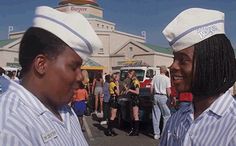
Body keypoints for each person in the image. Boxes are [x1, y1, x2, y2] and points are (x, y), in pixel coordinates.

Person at [0, 6, 102, 146]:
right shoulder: (10, 126)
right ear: (41, 64)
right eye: (73, 67)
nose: (81, 77)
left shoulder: (65, 110)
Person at [160, 8, 236, 145]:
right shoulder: (176, 120)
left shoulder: (232, 127)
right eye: (174, 58)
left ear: (210, 62)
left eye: (183, 60)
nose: (173, 66)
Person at [150, 65, 172, 140]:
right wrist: (170, 98)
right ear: (165, 71)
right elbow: (168, 90)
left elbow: (151, 88)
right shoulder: (167, 79)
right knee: (167, 115)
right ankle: (163, 134)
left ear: (160, 70)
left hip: (155, 95)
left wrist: (151, 96)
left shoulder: (155, 77)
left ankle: (156, 134)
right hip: (163, 97)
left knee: (156, 115)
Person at [126, 70, 140, 136]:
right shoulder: (132, 81)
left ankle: (136, 131)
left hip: (135, 100)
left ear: (132, 74)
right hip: (132, 99)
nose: (128, 75)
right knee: (132, 115)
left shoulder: (136, 81)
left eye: (129, 74)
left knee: (135, 115)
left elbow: (137, 92)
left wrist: (129, 90)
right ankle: (133, 129)